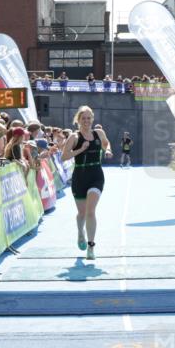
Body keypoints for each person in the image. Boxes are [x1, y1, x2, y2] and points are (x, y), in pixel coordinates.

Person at [61, 106, 111, 260]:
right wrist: (81, 149)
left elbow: (106, 143)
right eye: (83, 118)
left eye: (89, 118)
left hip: (96, 175)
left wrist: (108, 150)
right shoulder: (74, 137)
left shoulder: (99, 133)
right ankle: (80, 233)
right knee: (82, 213)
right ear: (78, 120)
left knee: (91, 211)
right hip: (80, 176)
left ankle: (91, 246)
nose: (86, 121)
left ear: (92, 119)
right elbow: (64, 156)